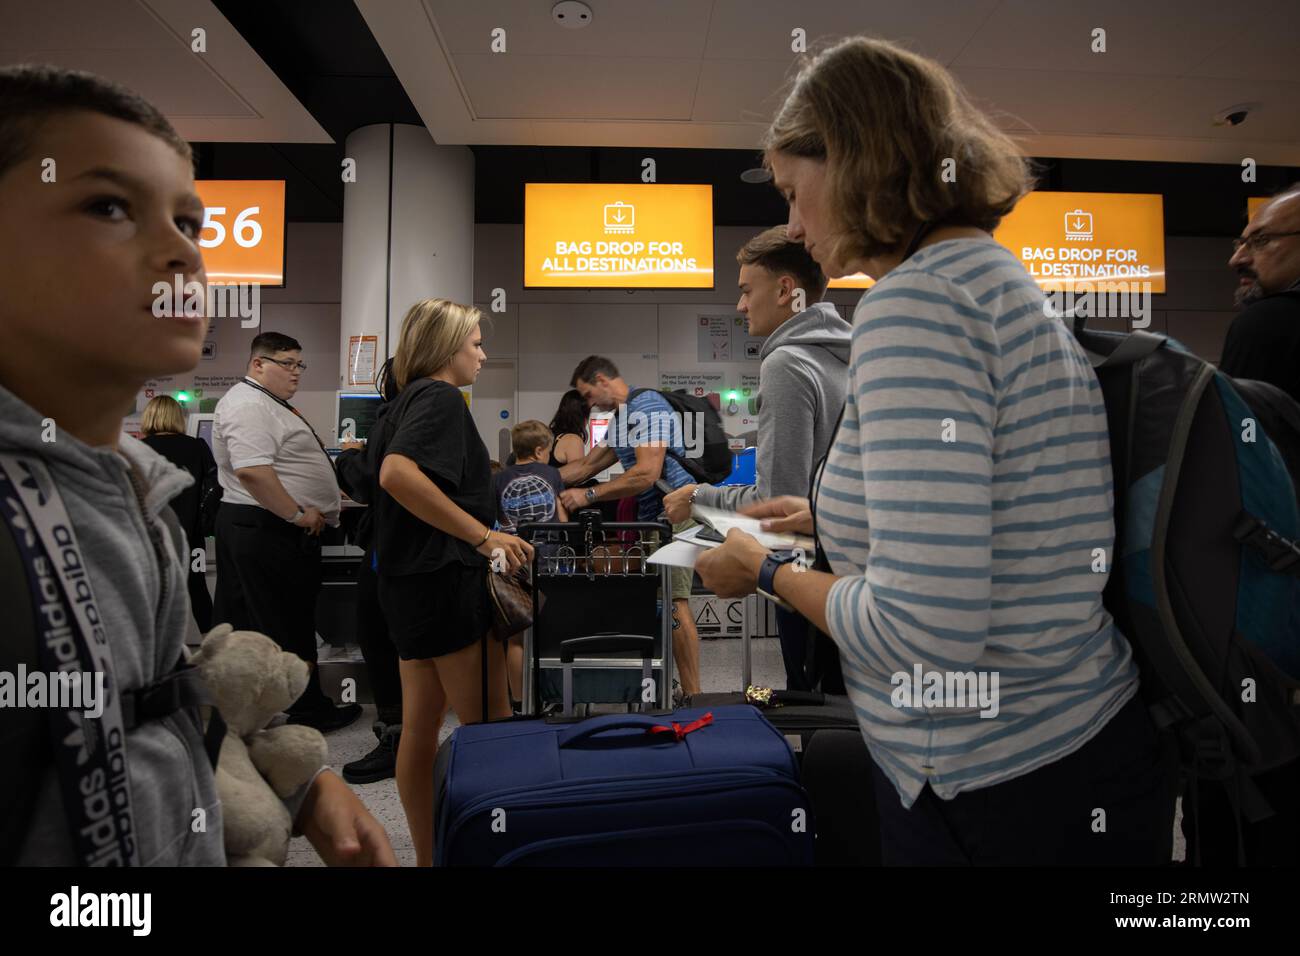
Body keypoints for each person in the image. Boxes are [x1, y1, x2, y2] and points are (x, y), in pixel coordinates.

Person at [695, 36, 1171, 865]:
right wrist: (824, 519)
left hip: (992, 780)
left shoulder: (914, 306)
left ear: (849, 159)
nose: (795, 225)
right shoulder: (989, 278)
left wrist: (764, 568)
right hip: (1072, 747)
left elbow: (922, 631)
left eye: (794, 193)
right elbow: (1002, 503)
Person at [0, 63, 393, 866]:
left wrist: (298, 779)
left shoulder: (132, 495)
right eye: (109, 205)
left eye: (190, 221)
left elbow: (153, 704)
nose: (180, 251)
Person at [372, 297, 534, 866]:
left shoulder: (398, 404)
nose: (484, 355)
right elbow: (397, 475)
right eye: (476, 344)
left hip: (407, 587)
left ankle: (431, 856)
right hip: (445, 585)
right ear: (446, 349)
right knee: (491, 730)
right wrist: (482, 536)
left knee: (419, 729)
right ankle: (495, 854)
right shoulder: (439, 399)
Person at [664, 226, 850, 690]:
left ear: (786, 290)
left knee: (818, 711)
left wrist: (698, 497)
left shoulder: (787, 363)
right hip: (854, 572)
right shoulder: (850, 353)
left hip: (805, 573)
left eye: (747, 290)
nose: (740, 305)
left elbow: (778, 501)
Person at [212, 331, 361, 732]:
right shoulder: (248, 405)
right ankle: (306, 711)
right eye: (288, 364)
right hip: (268, 528)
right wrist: (298, 515)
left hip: (264, 526)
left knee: (272, 621)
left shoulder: (266, 403)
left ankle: (261, 709)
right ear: (258, 364)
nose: (297, 373)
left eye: (300, 365)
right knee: (285, 624)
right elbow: (252, 471)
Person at [558, 357, 702, 697]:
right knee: (659, 601)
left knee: (674, 603)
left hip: (675, 517)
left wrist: (589, 495)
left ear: (604, 380)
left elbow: (646, 473)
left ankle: (695, 696)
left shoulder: (647, 406)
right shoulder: (621, 418)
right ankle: (670, 687)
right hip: (653, 519)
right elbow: (586, 466)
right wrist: (533, 475)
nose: (588, 403)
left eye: (588, 393)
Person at [333, 359, 404, 784]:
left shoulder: (394, 418)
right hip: (410, 549)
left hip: (391, 550)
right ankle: (406, 736)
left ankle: (397, 736)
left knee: (377, 636)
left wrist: (348, 458)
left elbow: (370, 481)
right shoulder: (439, 409)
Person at [492, 419, 570, 702]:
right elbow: (561, 516)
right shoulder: (551, 474)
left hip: (511, 561)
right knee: (548, 629)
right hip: (546, 558)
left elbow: (496, 521)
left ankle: (518, 701)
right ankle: (551, 694)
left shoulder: (499, 478)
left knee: (517, 636)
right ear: (540, 451)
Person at [141, 394, 220, 633]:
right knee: (198, 591)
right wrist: (206, 525)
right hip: (191, 535)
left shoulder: (141, 449)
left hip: (152, 536)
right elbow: (214, 487)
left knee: (156, 592)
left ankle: (158, 651)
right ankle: (213, 647)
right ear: (178, 417)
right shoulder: (196, 447)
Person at [1219, 185, 1300, 403]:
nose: (1236, 259)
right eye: (1241, 244)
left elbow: (1236, 430)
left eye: (1261, 240)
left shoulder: (1269, 320)